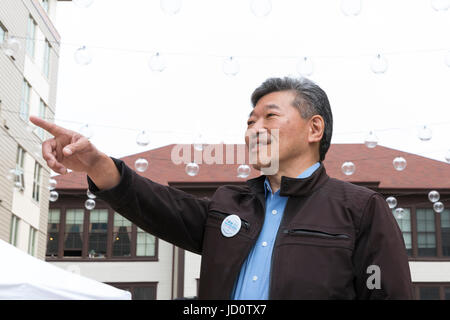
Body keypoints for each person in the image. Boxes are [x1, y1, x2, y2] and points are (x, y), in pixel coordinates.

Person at [30, 77, 413, 299]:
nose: (253, 129)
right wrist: (97, 164)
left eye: (270, 116)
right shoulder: (231, 204)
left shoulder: (360, 209)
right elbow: (159, 205)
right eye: (249, 121)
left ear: (314, 129)